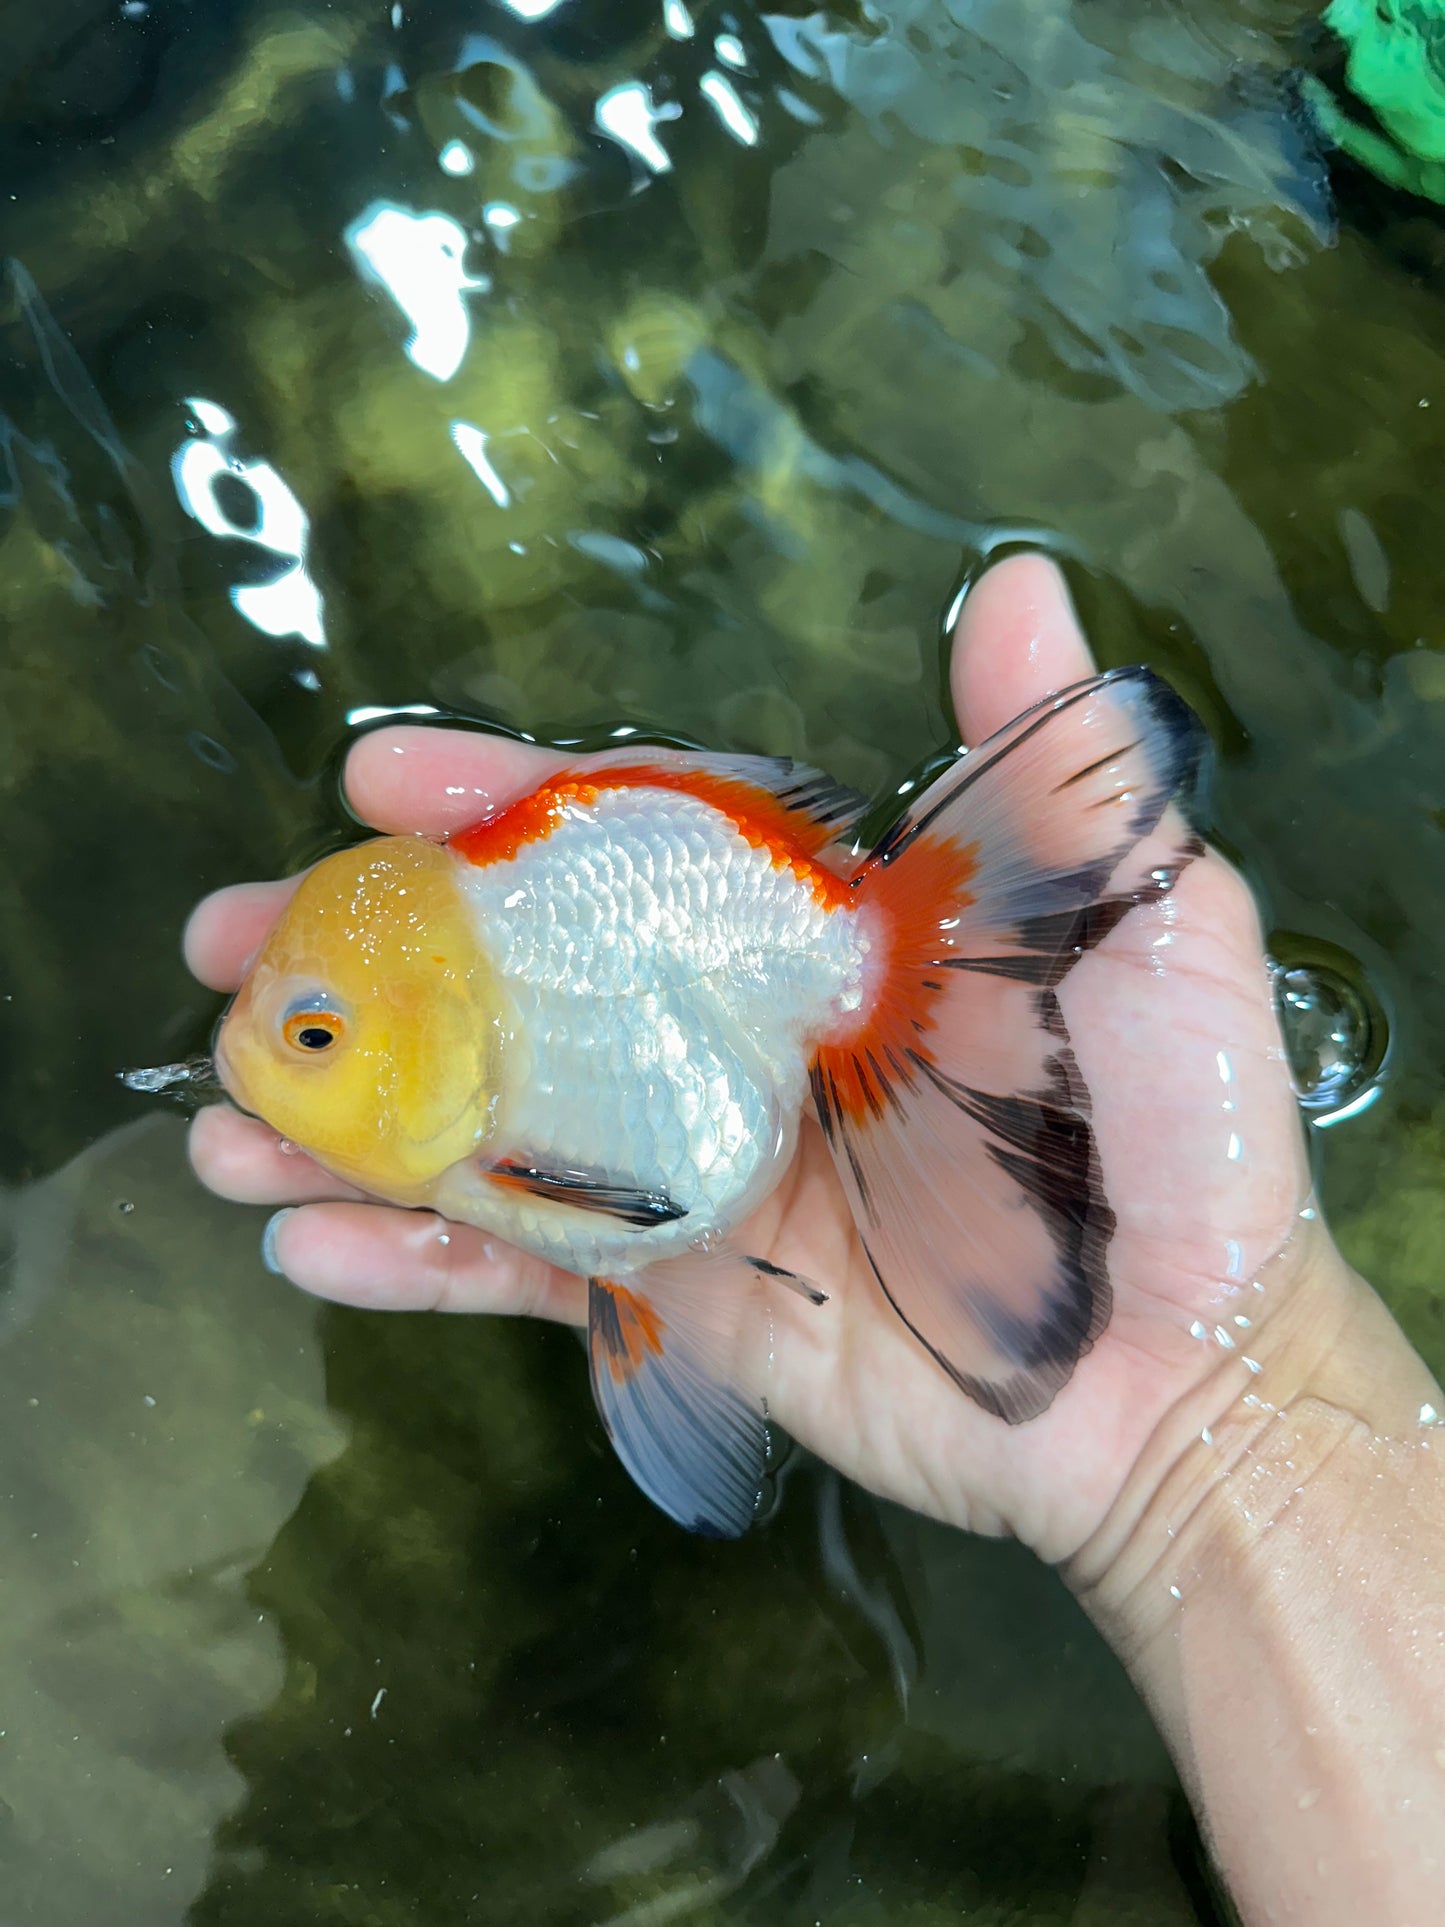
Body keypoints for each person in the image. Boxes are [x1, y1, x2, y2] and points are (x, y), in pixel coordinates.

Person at [184, 553, 1445, 1927]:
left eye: (312, 1039)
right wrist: (1217, 1428)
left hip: (754, 969)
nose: (267, 1055)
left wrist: (1214, 1402)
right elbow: (637, 1223)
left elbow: (638, 1205)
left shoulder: (518, 1090)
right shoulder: (480, 1069)